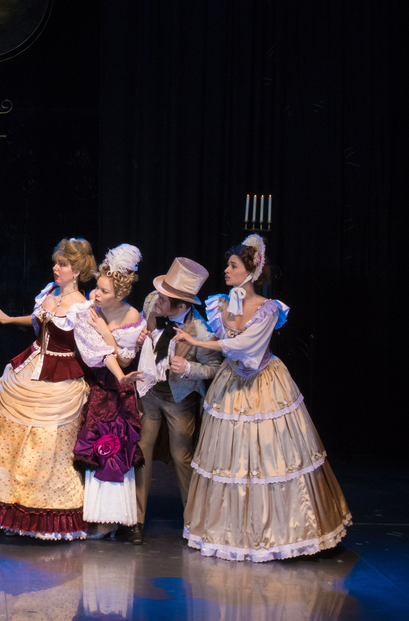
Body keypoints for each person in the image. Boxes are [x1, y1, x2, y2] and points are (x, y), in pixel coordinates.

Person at [172, 235, 352, 561]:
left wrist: (202, 342)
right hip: (230, 385)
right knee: (230, 461)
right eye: (228, 264)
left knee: (273, 457)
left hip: (264, 383)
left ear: (251, 271)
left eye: (233, 265)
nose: (226, 270)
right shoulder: (220, 304)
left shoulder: (267, 309)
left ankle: (285, 532)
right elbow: (212, 337)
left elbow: (243, 347)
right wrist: (183, 338)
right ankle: (228, 531)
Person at [0, 239, 118, 540]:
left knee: (45, 448)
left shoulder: (83, 308)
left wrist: (120, 372)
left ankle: (42, 516)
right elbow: (38, 321)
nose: (56, 268)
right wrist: (9, 320)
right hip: (31, 368)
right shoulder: (49, 293)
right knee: (11, 441)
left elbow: (101, 348)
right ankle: (8, 509)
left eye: (63, 264)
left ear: (77, 271)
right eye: (56, 262)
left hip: (61, 380)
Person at [130, 257, 222, 545]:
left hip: (178, 399)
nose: (157, 300)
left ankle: (193, 522)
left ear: (182, 307)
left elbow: (216, 368)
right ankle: (136, 520)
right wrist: (140, 337)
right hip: (150, 394)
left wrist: (191, 369)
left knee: (182, 458)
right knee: (141, 454)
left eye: (164, 299)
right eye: (159, 293)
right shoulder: (151, 304)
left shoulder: (202, 331)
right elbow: (142, 331)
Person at [72, 244, 147, 531]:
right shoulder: (92, 309)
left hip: (117, 389)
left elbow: (126, 360)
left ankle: (112, 519)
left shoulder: (130, 316)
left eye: (103, 291)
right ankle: (93, 515)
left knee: (113, 448)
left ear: (120, 294)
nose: (96, 294)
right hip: (94, 384)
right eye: (97, 289)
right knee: (92, 448)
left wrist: (107, 335)